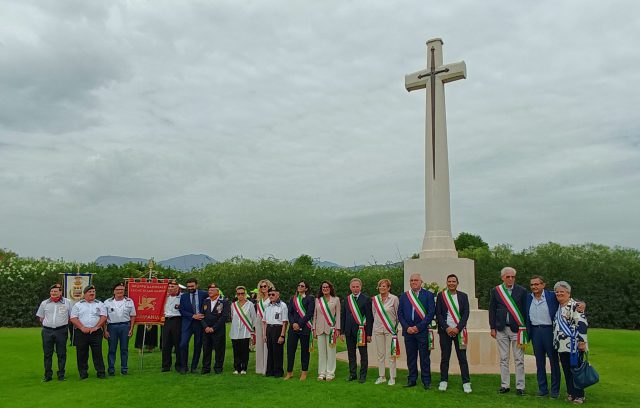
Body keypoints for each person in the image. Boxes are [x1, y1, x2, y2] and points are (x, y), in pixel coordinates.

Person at [489, 266, 528, 396]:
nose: (510, 279)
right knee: (504, 358)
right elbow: (492, 309)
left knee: (519, 359)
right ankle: (505, 385)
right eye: (508, 277)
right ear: (502, 278)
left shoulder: (522, 291)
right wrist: (492, 327)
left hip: (517, 330)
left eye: (513, 277)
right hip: (501, 328)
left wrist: (525, 328)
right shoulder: (496, 291)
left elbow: (525, 310)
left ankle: (520, 386)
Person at [398, 273, 436, 390]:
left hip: (422, 331)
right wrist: (407, 327)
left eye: (416, 280)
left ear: (421, 282)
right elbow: (400, 314)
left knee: (424, 358)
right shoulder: (404, 296)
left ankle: (426, 381)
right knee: (411, 357)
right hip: (408, 332)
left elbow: (431, 313)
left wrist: (418, 327)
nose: (414, 282)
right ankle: (412, 380)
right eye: (412, 280)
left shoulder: (428, 295)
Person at [553, 281, 588, 404]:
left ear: (568, 293)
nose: (559, 294)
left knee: (576, 371)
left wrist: (582, 342)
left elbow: (582, 323)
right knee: (567, 370)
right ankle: (571, 393)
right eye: (557, 292)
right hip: (562, 345)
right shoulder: (559, 307)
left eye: (562, 292)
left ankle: (579, 395)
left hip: (575, 345)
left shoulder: (575, 306)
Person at [435, 274, 471, 393]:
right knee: (445, 357)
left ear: (457, 283)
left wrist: (458, 328)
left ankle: (466, 382)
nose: (451, 283)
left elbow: (466, 313)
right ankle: (443, 380)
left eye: (453, 281)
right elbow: (438, 313)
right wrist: (446, 328)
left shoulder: (463, 296)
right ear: (447, 283)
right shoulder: (441, 296)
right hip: (445, 331)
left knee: (462, 358)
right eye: (449, 281)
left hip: (459, 332)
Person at [526, 275, 560, 398]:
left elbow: (566, 299)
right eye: (532, 285)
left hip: (549, 330)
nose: (534, 287)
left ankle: (555, 391)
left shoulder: (552, 296)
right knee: (539, 362)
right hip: (535, 331)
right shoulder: (528, 298)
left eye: (536, 284)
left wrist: (581, 303)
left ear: (543, 285)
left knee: (553, 361)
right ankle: (542, 389)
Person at [69, 285, 107, 379]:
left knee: (97, 353)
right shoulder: (78, 305)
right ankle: (83, 373)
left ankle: (101, 372)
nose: (92, 293)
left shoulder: (100, 304)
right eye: (90, 292)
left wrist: (96, 327)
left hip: (96, 332)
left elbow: (104, 316)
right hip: (81, 333)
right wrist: (82, 327)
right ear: (85, 293)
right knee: (81, 353)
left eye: (93, 291)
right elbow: (73, 318)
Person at [36, 283, 71, 382]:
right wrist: (49, 324)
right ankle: (48, 375)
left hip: (61, 331)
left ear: (60, 292)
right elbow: (41, 317)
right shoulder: (44, 303)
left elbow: (71, 316)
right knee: (47, 354)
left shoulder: (67, 302)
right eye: (51, 291)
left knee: (61, 353)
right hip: (47, 331)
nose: (53, 293)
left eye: (55, 291)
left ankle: (61, 375)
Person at [341, 277, 373, 383]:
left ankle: (363, 375)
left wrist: (369, 334)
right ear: (350, 287)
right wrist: (342, 332)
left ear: (360, 287)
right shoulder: (347, 299)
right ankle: (352, 374)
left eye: (357, 287)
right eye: (353, 287)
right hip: (349, 331)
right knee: (351, 354)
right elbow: (343, 316)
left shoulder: (366, 299)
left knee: (363, 354)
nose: (355, 289)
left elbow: (369, 317)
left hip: (361, 331)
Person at [103, 282, 136, 376]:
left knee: (124, 349)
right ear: (114, 291)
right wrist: (105, 330)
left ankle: (124, 369)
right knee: (112, 349)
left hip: (125, 326)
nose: (119, 291)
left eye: (121, 289)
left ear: (124, 291)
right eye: (117, 290)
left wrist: (131, 329)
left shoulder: (129, 301)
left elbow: (133, 316)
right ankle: (111, 369)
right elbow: (104, 317)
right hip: (112, 327)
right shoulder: (107, 302)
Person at [285, 280, 315, 381]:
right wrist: (293, 323)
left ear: (306, 288)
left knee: (305, 351)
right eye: (299, 285)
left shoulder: (310, 298)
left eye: (302, 286)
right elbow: (290, 313)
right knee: (290, 350)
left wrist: (299, 324)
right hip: (293, 328)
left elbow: (309, 313)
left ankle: (304, 372)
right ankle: (289, 372)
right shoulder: (293, 298)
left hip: (305, 327)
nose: (300, 287)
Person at [371, 278, 399, 386]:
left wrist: (394, 327)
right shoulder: (375, 299)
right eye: (380, 286)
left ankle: (392, 377)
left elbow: (397, 314)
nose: (382, 288)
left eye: (384, 286)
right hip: (378, 329)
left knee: (391, 354)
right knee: (380, 354)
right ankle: (381, 376)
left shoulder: (394, 299)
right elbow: (374, 313)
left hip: (390, 329)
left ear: (388, 288)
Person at [312, 280, 341, 381]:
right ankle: (322, 373)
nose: (325, 289)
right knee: (321, 352)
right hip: (319, 328)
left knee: (331, 351)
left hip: (331, 329)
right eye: (323, 287)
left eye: (327, 287)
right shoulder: (317, 300)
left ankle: (330, 373)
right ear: (321, 289)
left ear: (330, 288)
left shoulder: (336, 299)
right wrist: (313, 328)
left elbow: (338, 315)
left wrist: (338, 328)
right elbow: (315, 315)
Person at [179, 278, 207, 374]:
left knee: (198, 345)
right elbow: (181, 310)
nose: (190, 288)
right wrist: (193, 316)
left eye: (192, 286)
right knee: (183, 344)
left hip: (200, 323)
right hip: (187, 323)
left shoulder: (204, 294)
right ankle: (184, 366)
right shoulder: (183, 297)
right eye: (188, 286)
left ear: (197, 285)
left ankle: (194, 367)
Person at [201, 283, 230, 374]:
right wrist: (205, 327)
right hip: (206, 330)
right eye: (209, 290)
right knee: (206, 349)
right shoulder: (205, 301)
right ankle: (206, 368)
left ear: (217, 291)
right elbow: (201, 315)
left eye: (212, 290)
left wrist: (214, 328)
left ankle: (218, 368)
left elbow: (224, 316)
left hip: (218, 330)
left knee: (219, 350)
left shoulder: (223, 302)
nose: (210, 291)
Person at [262, 287, 288, 377]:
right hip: (269, 329)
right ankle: (270, 371)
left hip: (278, 329)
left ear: (278, 295)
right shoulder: (267, 306)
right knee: (270, 351)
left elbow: (285, 322)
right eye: (269, 294)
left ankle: (278, 372)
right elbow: (264, 322)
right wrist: (264, 334)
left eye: (273, 294)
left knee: (278, 351)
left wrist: (282, 335)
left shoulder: (283, 305)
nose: (271, 296)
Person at [230, 285, 256, 374]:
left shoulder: (250, 304)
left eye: (242, 293)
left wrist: (253, 331)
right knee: (236, 351)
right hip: (235, 331)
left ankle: (244, 368)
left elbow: (253, 318)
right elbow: (232, 316)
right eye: (238, 294)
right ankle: (237, 368)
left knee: (245, 351)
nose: (240, 295)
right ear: (236, 294)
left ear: (245, 294)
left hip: (246, 331)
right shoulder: (233, 305)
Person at [161, 279, 182, 372]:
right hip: (166, 321)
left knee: (178, 343)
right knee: (165, 344)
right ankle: (166, 365)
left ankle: (179, 365)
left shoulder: (182, 297)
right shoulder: (164, 297)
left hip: (177, 320)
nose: (170, 288)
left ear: (177, 288)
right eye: (169, 286)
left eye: (172, 287)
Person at [254, 279, 274, 374]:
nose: (263, 288)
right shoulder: (259, 299)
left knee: (267, 343)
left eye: (265, 286)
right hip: (259, 321)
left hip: (268, 322)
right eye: (261, 286)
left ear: (269, 287)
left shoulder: (271, 297)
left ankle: (267, 367)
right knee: (259, 344)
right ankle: (260, 368)